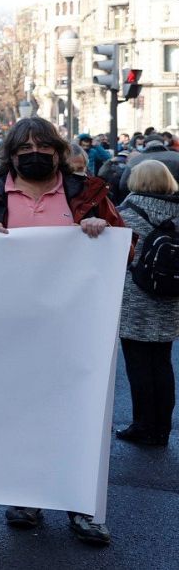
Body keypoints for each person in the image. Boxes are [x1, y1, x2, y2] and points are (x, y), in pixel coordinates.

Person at [0, 116, 120, 546]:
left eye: (43, 148)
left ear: (59, 153)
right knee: (20, 415)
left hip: (76, 330)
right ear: (11, 156)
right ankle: (26, 497)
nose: (34, 155)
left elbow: (123, 247)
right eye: (24, 150)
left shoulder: (88, 195)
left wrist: (102, 231)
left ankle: (83, 507)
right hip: (10, 329)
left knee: (81, 417)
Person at [114, 160, 179, 448]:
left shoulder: (126, 213)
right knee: (162, 364)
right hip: (169, 298)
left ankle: (142, 425)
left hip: (136, 300)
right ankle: (162, 429)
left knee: (139, 366)